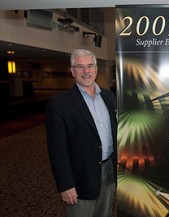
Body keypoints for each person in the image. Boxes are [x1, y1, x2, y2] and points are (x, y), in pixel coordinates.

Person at [45, 49, 117, 217]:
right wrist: (66, 185)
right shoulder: (59, 104)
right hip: (80, 178)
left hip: (109, 171)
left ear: (96, 68)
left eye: (90, 66)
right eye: (80, 66)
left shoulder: (109, 96)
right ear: (72, 71)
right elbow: (57, 150)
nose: (86, 71)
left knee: (104, 214)